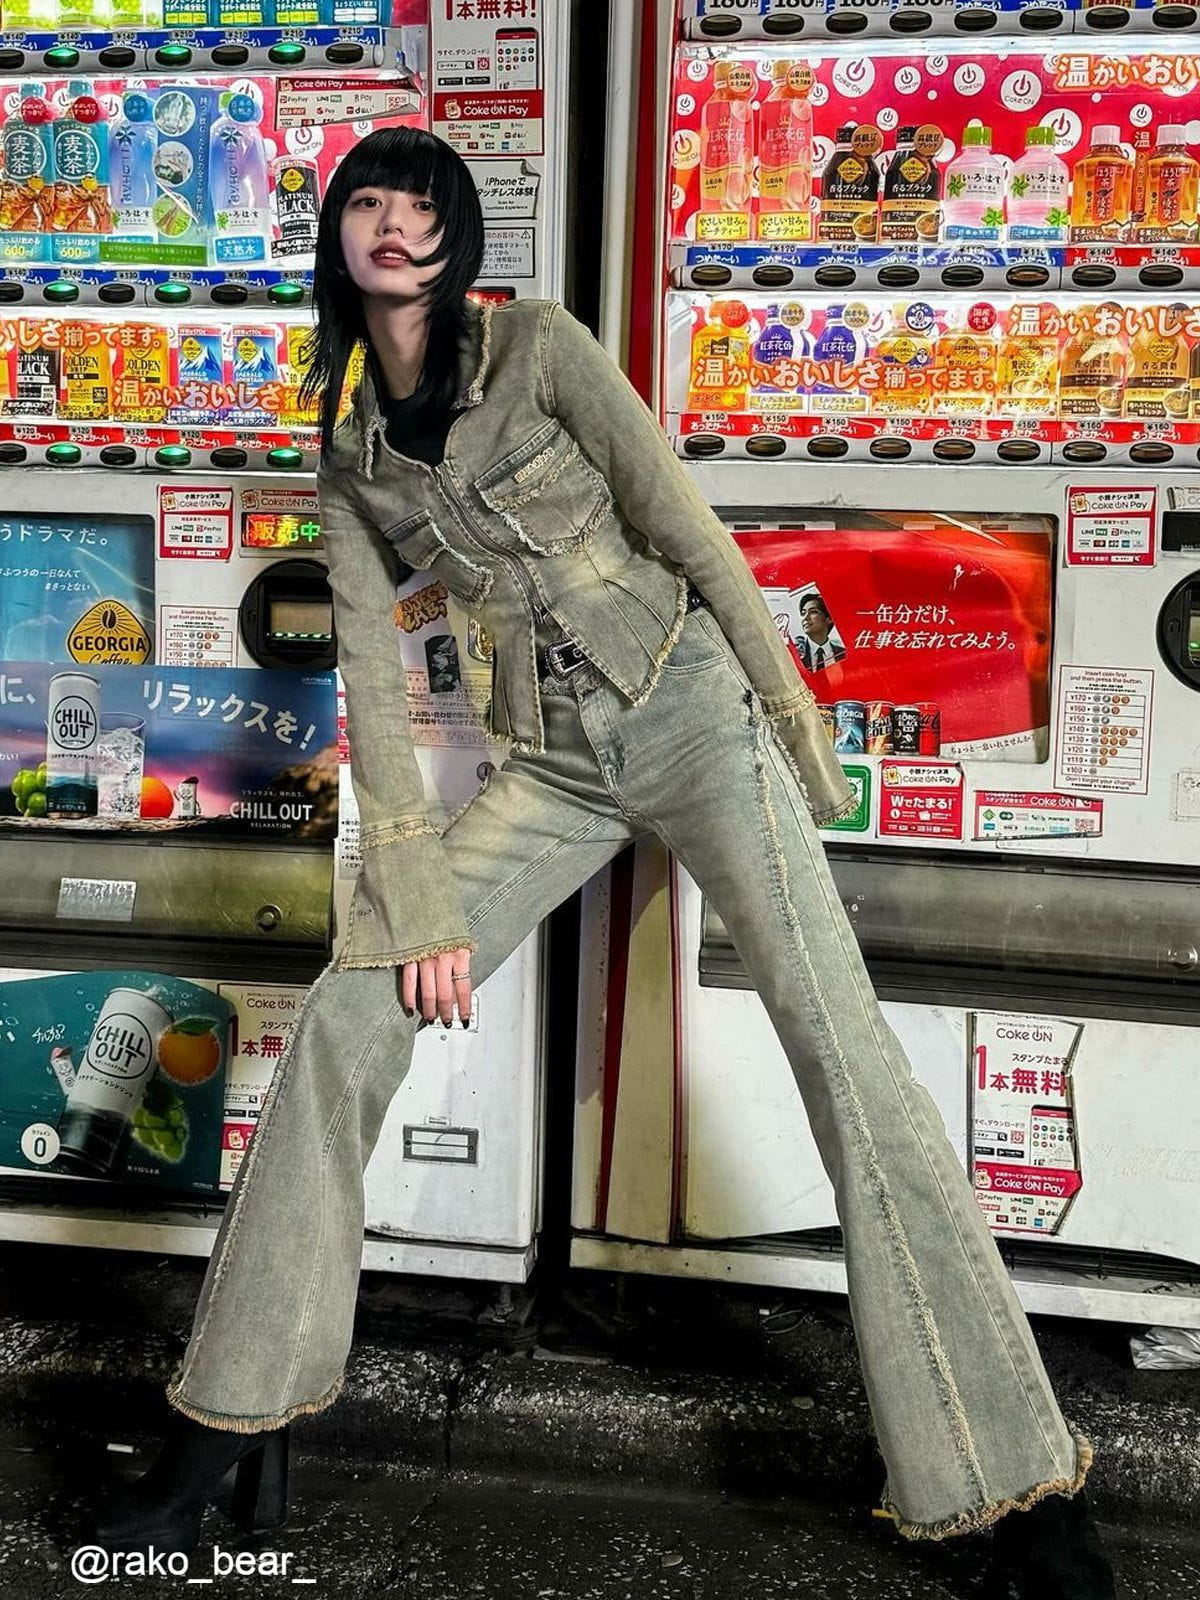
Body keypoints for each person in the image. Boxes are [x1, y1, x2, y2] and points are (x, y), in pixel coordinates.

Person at [87, 128, 1116, 1600]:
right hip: (555, 762)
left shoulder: (542, 349)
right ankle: (223, 1422)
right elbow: (370, 674)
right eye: (368, 201)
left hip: (693, 716)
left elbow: (686, 528)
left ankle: (1017, 1483)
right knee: (346, 1017)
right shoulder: (351, 446)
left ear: (456, 235)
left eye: (422, 203)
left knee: (845, 1057)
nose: (394, 224)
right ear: (339, 236)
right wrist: (414, 898)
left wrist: (793, 730)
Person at [794, 591, 846, 673]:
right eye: (803, 613)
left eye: (813, 612)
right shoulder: (796, 653)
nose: (805, 618)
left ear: (829, 619)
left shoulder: (843, 653)